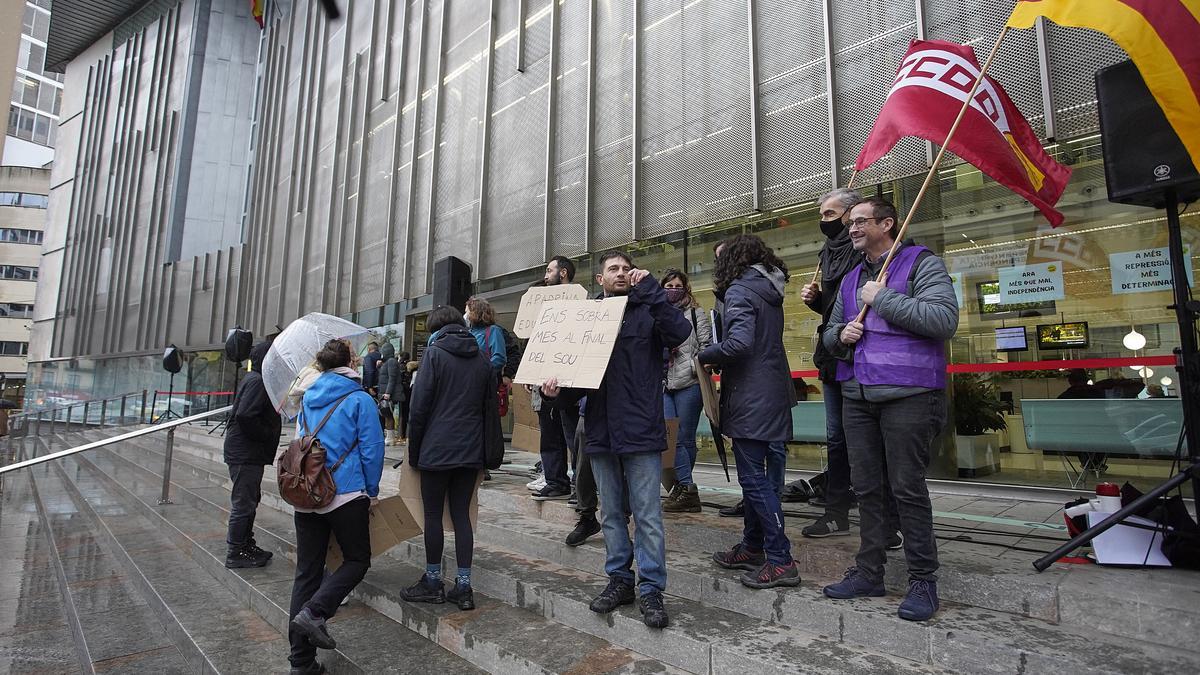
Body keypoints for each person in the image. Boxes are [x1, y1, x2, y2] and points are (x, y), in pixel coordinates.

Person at [820, 197, 958, 622]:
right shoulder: (848, 279)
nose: (852, 228)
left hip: (909, 396)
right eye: (851, 222)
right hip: (857, 397)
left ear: (887, 223)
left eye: (860, 221)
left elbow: (943, 320)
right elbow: (827, 334)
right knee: (867, 490)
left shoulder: (921, 263)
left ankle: (923, 580)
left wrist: (882, 300)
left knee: (907, 489)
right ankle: (869, 571)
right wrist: (841, 333)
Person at [541, 251, 691, 629]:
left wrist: (652, 290)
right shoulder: (585, 320)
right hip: (602, 430)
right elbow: (574, 384)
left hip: (641, 430)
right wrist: (554, 393)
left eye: (627, 269)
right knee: (610, 514)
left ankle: (652, 588)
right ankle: (620, 580)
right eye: (614, 269)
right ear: (600, 280)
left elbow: (680, 332)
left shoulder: (649, 310)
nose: (622, 273)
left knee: (648, 515)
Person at [700, 235, 801, 589]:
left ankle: (780, 559)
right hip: (771, 391)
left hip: (751, 397)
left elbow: (740, 344)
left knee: (754, 481)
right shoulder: (767, 289)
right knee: (759, 479)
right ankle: (753, 546)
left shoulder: (741, 291)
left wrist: (706, 354)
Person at [288, 340, 384, 675]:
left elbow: (302, 441)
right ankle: (316, 612)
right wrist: (371, 491)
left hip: (308, 493)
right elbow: (372, 449)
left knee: (306, 573)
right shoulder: (360, 399)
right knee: (357, 560)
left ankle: (300, 662)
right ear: (351, 363)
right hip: (345, 493)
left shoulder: (306, 396)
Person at [399, 306, 495, 611]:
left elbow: (419, 409)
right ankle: (463, 587)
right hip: (470, 451)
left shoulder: (434, 355)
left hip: (436, 450)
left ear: (435, 329)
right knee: (462, 516)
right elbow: (489, 410)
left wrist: (414, 454)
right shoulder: (481, 358)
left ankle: (432, 581)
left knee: (432, 516)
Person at [222, 339, 282, 569]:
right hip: (245, 453)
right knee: (244, 504)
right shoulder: (258, 381)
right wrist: (266, 434)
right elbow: (246, 416)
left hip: (247, 453)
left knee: (249, 500)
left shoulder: (256, 378)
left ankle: (246, 544)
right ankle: (236, 550)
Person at [529, 258, 584, 502]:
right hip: (544, 378)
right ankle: (555, 480)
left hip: (570, 381)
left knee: (573, 434)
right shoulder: (542, 303)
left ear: (563, 273)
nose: (545, 274)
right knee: (549, 433)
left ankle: (580, 486)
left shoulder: (580, 301)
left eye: (549, 270)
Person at [661, 269, 712, 513]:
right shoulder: (657, 313)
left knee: (684, 437)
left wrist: (693, 365)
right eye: (668, 285)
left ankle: (684, 489)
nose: (672, 289)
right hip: (663, 383)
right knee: (668, 437)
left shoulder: (696, 313)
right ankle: (687, 487)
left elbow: (706, 346)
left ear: (685, 288)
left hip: (689, 383)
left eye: (677, 285)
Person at [466, 297, 506, 376]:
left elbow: (499, 358)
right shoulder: (468, 332)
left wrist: (480, 371)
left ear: (475, 312)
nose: (466, 315)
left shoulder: (493, 331)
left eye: (467, 312)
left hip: (483, 379)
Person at [376, 343, 404, 445]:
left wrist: (388, 393)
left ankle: (390, 438)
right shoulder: (388, 362)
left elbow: (392, 378)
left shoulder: (391, 361)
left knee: (388, 414)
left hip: (388, 394)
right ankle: (389, 436)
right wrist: (379, 367)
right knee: (386, 414)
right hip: (385, 393)